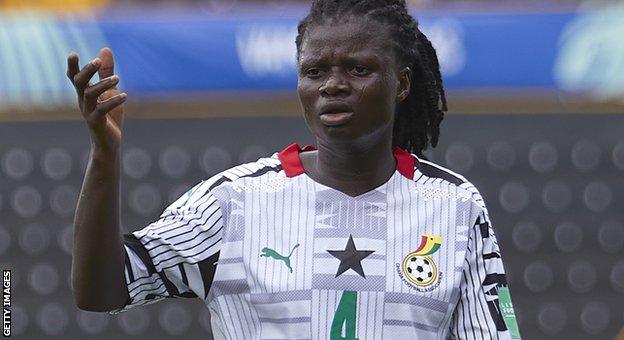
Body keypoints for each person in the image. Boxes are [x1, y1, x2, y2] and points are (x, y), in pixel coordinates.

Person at [67, 0, 521, 338]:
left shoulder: (455, 205)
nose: (333, 86)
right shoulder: (232, 203)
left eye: (358, 69)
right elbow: (101, 291)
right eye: (315, 71)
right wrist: (105, 157)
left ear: (401, 83)